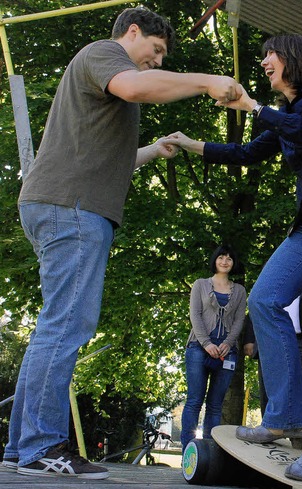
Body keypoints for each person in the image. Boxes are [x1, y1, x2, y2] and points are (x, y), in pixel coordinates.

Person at [1, 7, 240, 479]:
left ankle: (21, 447)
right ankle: (41, 447)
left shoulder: (103, 82)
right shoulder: (104, 54)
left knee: (55, 324)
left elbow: (105, 159)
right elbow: (135, 86)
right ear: (133, 33)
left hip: (62, 203)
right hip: (73, 209)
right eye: (155, 51)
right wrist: (209, 80)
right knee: (69, 323)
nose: (155, 63)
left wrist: (154, 150)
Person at [167, 33, 302, 482]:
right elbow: (243, 153)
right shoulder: (282, 117)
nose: (263, 63)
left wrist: (251, 107)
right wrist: (189, 143)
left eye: (270, 55)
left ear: (293, 58)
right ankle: (286, 417)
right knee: (263, 301)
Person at [181, 245, 246, 449]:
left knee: (216, 405)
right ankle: (188, 452)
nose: (225, 261)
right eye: (221, 257)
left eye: (229, 258)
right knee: (194, 401)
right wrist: (207, 344)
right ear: (214, 260)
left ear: (234, 263)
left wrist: (227, 343)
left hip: (227, 352)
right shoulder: (200, 285)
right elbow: (195, 315)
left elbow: (238, 320)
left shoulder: (240, 290)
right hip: (198, 348)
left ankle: (208, 454)